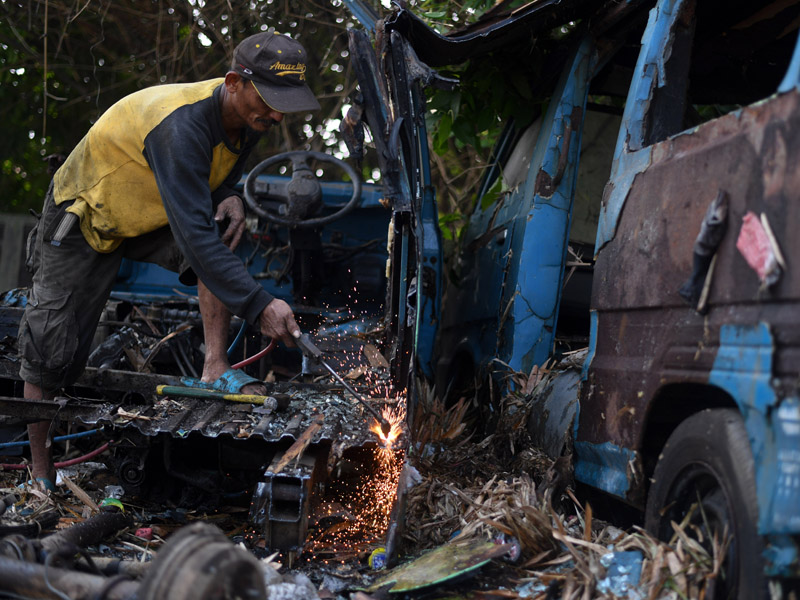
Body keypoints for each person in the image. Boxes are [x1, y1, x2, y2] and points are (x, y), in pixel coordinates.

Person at [18, 29, 321, 490]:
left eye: (284, 103)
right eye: (269, 100)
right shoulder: (180, 126)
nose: (277, 114)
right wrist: (259, 304)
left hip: (146, 209)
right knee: (50, 349)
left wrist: (232, 196)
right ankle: (40, 475)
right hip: (86, 216)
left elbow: (212, 180)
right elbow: (195, 237)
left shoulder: (248, 120)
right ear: (233, 82)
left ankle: (215, 366)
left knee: (222, 229)